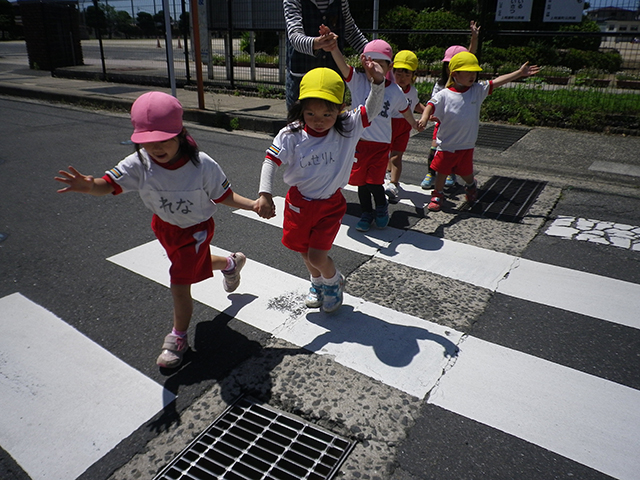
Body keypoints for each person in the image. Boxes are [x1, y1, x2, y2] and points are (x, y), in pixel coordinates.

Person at [54, 91, 261, 369]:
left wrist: (253, 205)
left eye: (164, 139)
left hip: (196, 231)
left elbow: (224, 195)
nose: (156, 147)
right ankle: (230, 263)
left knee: (179, 282)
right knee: (191, 266)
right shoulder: (140, 163)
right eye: (148, 141)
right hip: (164, 228)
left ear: (180, 133)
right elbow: (109, 184)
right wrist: (90, 186)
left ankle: (178, 337)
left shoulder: (201, 164)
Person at [256, 59, 386, 314]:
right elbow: (270, 160)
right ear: (301, 109)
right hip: (298, 203)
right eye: (311, 114)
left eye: (327, 114)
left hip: (330, 204)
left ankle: (333, 281)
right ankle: (316, 282)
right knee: (304, 252)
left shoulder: (347, 127)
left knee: (317, 255)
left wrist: (378, 82)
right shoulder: (292, 134)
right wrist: (265, 194)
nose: (319, 121)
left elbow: (371, 109)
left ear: (340, 109)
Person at [417, 52, 539, 212]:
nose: (473, 76)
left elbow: (497, 82)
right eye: (468, 72)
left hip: (466, 145)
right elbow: (430, 105)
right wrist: (424, 118)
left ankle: (470, 185)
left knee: (466, 172)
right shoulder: (444, 94)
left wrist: (519, 73)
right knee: (441, 171)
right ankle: (437, 195)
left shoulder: (477, 90)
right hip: (446, 144)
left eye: (474, 72)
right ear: (455, 74)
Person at [329, 37, 421, 231]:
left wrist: (414, 123)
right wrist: (333, 48)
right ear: (364, 62)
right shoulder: (358, 81)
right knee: (361, 183)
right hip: (359, 142)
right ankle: (366, 213)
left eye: (380, 64)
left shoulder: (394, 90)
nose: (374, 67)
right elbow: (342, 65)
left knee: (374, 182)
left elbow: (405, 110)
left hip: (380, 145)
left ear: (389, 67)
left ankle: (381, 207)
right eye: (370, 62)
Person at [421, 20, 480, 190]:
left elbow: (469, 58)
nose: (449, 68)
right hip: (442, 124)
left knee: (454, 153)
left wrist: (474, 39)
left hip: (459, 127)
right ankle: (431, 173)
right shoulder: (441, 85)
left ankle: (450, 174)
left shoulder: (468, 85)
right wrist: (428, 116)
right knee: (436, 150)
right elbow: (433, 102)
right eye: (447, 65)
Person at [283, 0, 368, 109]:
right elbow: (295, 36)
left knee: (333, 118)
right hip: (302, 80)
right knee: (300, 119)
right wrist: (316, 43)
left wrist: (372, 52)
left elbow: (350, 31)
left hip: (332, 79)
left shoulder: (341, 1)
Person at [385, 49, 426, 203]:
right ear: (392, 71)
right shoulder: (389, 89)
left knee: (397, 156)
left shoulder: (413, 91)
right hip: (387, 126)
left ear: (413, 75)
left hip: (404, 127)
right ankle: (388, 172)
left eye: (407, 74)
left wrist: (427, 113)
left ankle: (393, 184)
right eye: (399, 73)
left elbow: (415, 104)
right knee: (385, 154)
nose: (402, 78)